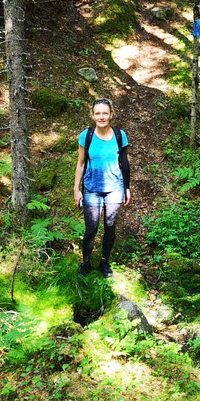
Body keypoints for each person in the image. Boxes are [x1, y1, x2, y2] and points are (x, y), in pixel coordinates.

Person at [73, 98, 131, 277]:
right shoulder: (86, 136)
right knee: (91, 228)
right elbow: (81, 163)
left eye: (105, 113)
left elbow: (124, 162)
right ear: (92, 115)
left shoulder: (120, 135)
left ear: (111, 114)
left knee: (110, 225)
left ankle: (104, 262)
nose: (101, 117)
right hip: (91, 188)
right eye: (98, 113)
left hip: (115, 188)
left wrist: (127, 188)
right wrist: (76, 189)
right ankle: (86, 262)